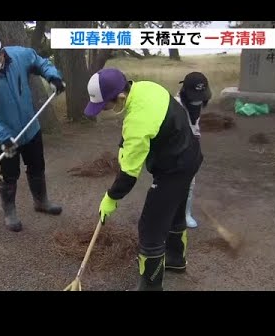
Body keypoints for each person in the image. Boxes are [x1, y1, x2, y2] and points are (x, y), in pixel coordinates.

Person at [84, 68, 203, 291]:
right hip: (190, 156)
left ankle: (151, 286)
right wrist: (123, 147)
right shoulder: (146, 88)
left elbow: (129, 175)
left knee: (150, 227)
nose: (104, 111)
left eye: (105, 106)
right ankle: (176, 260)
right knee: (175, 212)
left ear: (120, 97)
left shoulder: (137, 123)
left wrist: (111, 198)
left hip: (175, 168)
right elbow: (135, 128)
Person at [0, 32, 66, 233]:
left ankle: (41, 202)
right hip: (6, 136)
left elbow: (41, 63)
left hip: (31, 128)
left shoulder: (20, 56)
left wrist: (53, 77)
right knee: (8, 175)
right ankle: (10, 213)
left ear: (2, 53)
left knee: (37, 166)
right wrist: (3, 137)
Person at [175, 72, 212, 229]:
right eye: (194, 97)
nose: (198, 101)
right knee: (169, 184)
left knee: (190, 183)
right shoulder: (175, 106)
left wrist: (195, 147)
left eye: (201, 97)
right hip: (173, 150)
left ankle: (186, 213)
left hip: (190, 147)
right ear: (185, 91)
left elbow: (195, 126)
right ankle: (167, 214)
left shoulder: (198, 102)